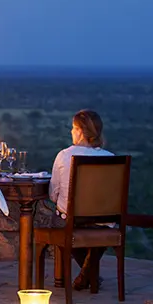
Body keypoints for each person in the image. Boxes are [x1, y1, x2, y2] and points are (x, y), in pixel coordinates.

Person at [36, 109, 114, 292]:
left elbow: (53, 194)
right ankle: (89, 274)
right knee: (100, 228)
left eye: (73, 128)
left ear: (80, 131)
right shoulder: (110, 159)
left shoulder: (64, 155)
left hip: (71, 221)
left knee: (61, 224)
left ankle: (89, 275)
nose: (71, 132)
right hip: (104, 222)